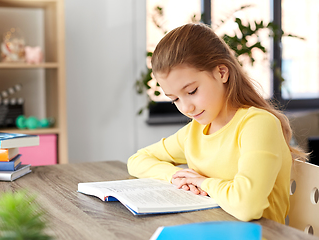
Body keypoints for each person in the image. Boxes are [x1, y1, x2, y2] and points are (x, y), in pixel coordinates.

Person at [127, 23, 307, 224]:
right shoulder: (193, 133)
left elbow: (247, 206)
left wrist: (203, 183)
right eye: (175, 99)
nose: (186, 108)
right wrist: (176, 175)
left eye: (192, 91)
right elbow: (137, 160)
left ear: (222, 73)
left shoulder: (257, 124)